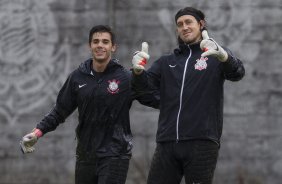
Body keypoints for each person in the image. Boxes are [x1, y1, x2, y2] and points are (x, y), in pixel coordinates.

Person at [20, 25, 158, 184]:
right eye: (96, 41)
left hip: (115, 156)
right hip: (85, 156)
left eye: (105, 42)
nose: (100, 45)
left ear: (113, 47)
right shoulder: (77, 77)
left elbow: (152, 98)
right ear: (90, 46)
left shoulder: (126, 78)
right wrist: (37, 133)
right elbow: (59, 111)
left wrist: (139, 75)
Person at [131, 7, 245, 184]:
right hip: (167, 143)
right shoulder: (166, 62)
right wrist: (137, 73)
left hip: (202, 142)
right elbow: (144, 93)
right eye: (179, 24)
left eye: (188, 22)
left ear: (201, 24)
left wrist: (224, 57)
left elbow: (237, 73)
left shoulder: (215, 56)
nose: (184, 27)